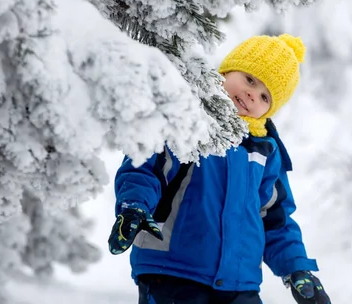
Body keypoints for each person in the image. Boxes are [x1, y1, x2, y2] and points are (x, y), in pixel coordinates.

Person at [108, 34, 331, 304]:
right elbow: (143, 167)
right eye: (250, 79)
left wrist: (296, 268)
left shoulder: (264, 151)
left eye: (264, 96)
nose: (251, 94)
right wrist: (134, 206)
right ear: (226, 70)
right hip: (173, 272)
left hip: (239, 283)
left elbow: (275, 218)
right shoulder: (187, 118)